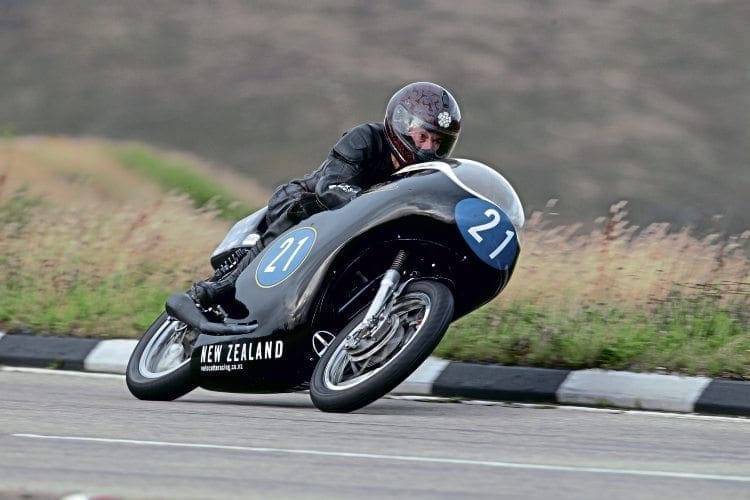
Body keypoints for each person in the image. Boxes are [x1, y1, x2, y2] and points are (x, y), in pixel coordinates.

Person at [188, 81, 462, 309]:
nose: (428, 148)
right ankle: (224, 285)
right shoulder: (365, 138)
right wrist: (368, 204)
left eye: (438, 142)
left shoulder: (419, 175)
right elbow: (331, 185)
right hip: (305, 200)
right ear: (403, 123)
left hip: (354, 226)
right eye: (423, 136)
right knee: (302, 208)